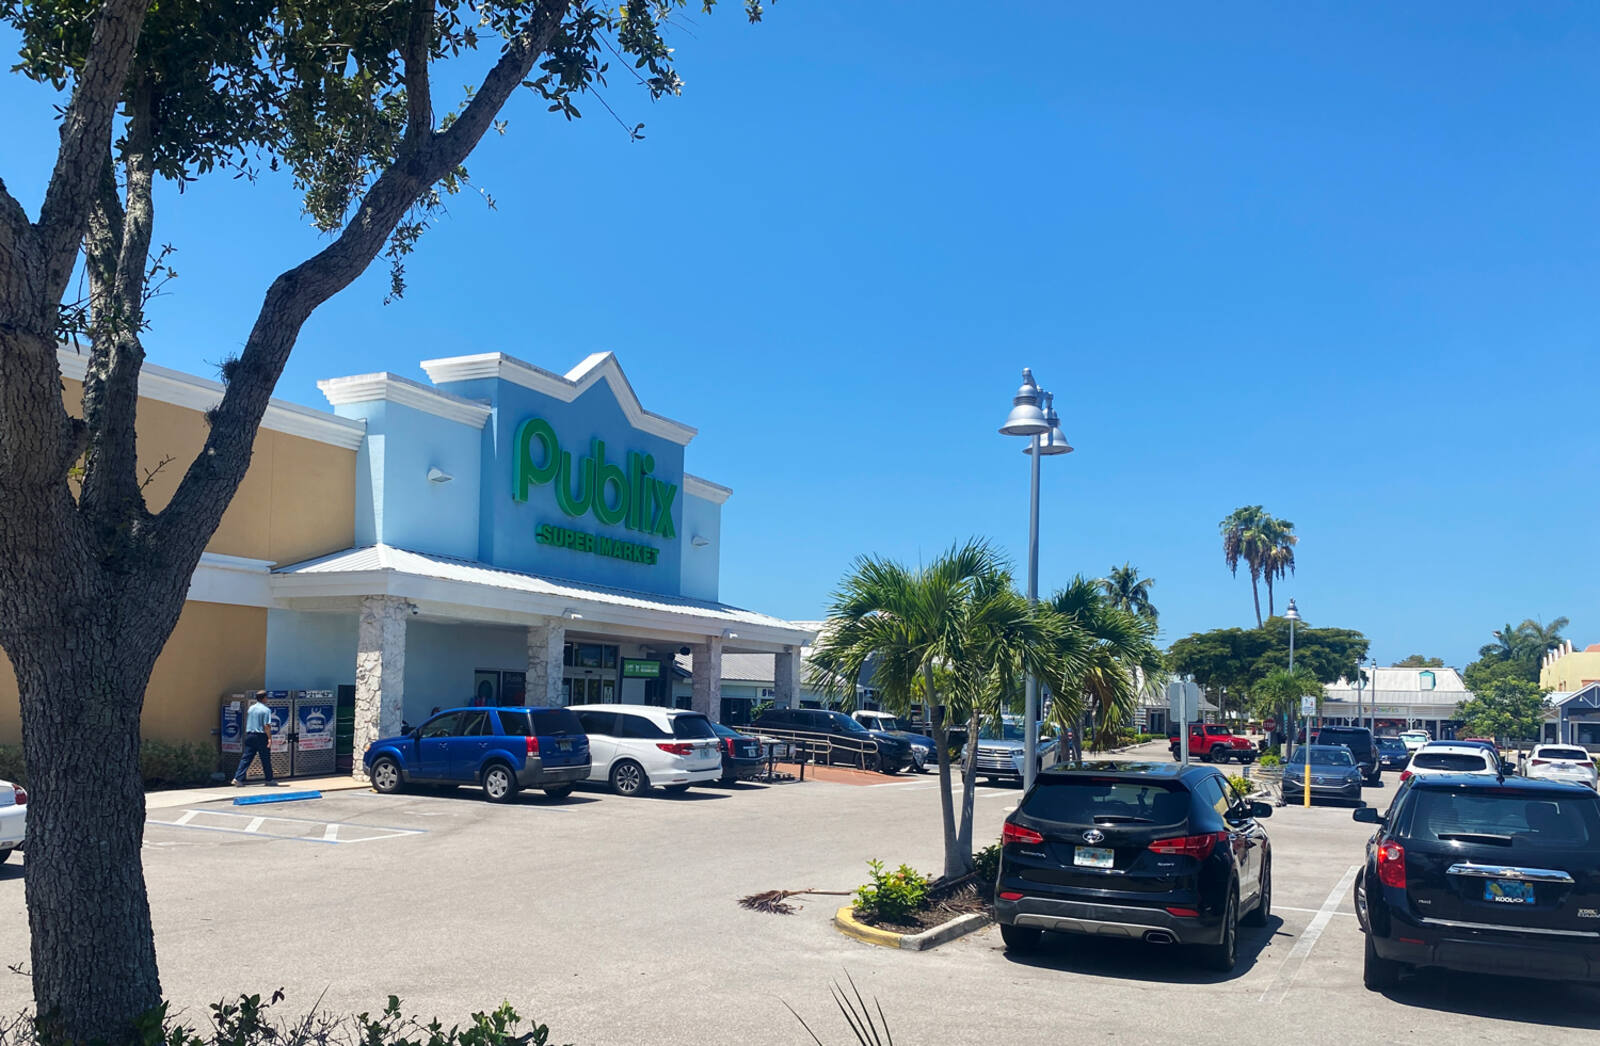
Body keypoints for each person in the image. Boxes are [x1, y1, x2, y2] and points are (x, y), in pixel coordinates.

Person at [232, 694, 279, 786]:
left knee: (246, 758)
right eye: (266, 697)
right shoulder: (266, 710)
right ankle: (269, 779)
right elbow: (267, 726)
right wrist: (269, 738)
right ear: (264, 698)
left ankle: (237, 778)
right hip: (261, 736)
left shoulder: (251, 708)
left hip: (250, 735)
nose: (267, 699)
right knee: (265, 758)